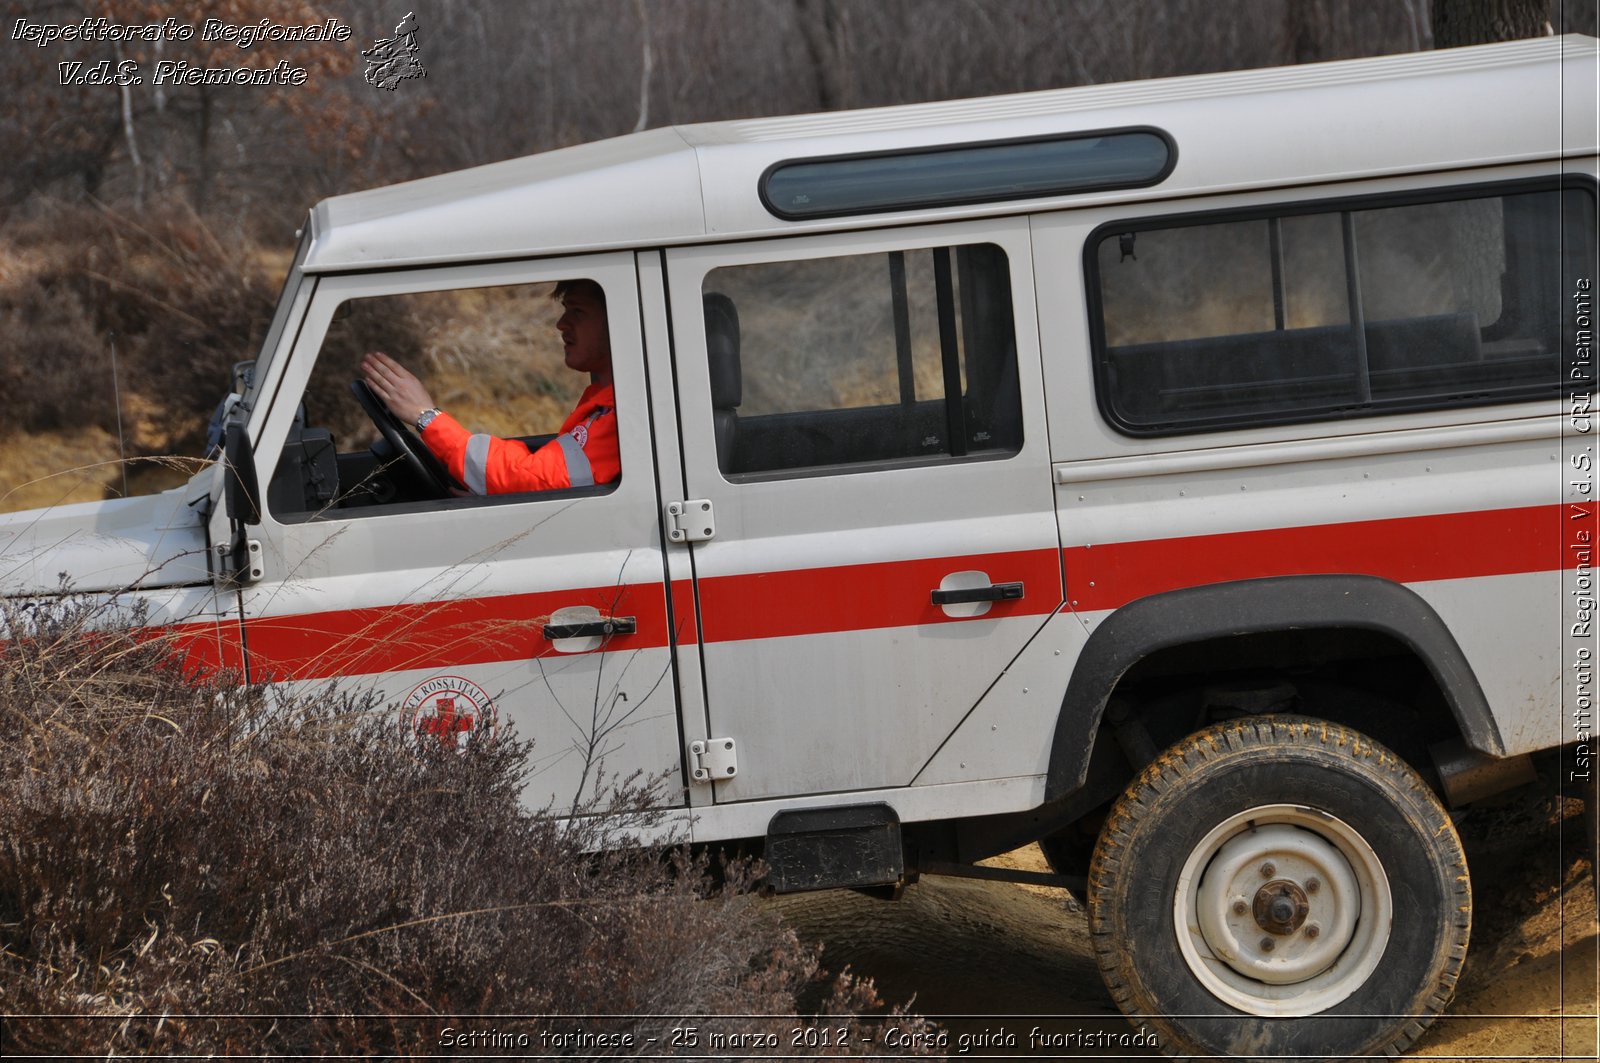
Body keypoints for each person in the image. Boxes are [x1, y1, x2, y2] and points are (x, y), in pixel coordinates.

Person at [360, 280, 619, 494]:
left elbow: (533, 479)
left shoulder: (621, 415)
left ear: (619, 321)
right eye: (565, 310)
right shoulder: (603, 404)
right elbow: (546, 475)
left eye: (577, 311)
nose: (561, 324)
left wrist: (426, 417)